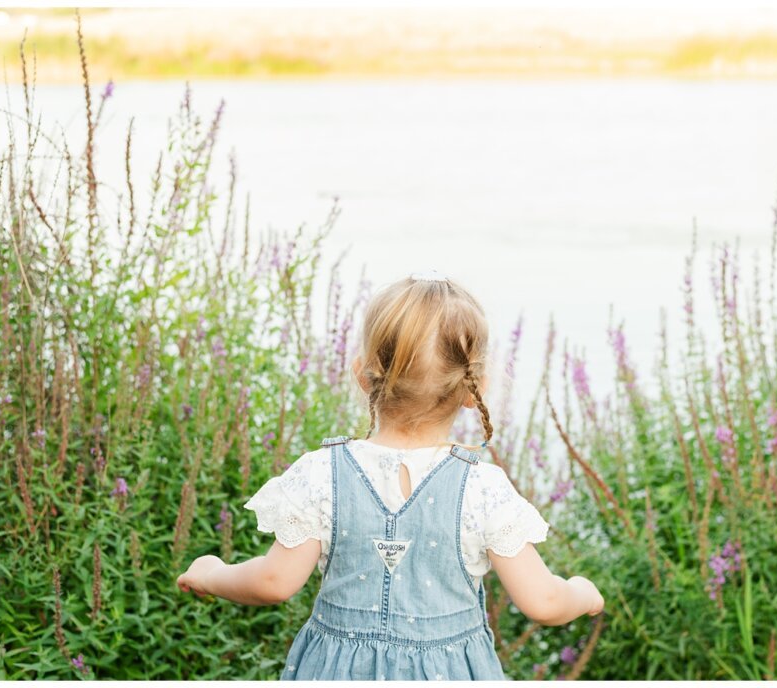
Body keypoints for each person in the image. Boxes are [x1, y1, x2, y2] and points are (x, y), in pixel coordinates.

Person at [177, 270, 604, 680]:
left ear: (363, 375)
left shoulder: (322, 474)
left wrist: (212, 573)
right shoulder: (483, 490)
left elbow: (274, 581)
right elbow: (544, 602)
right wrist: (583, 592)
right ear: (476, 388)